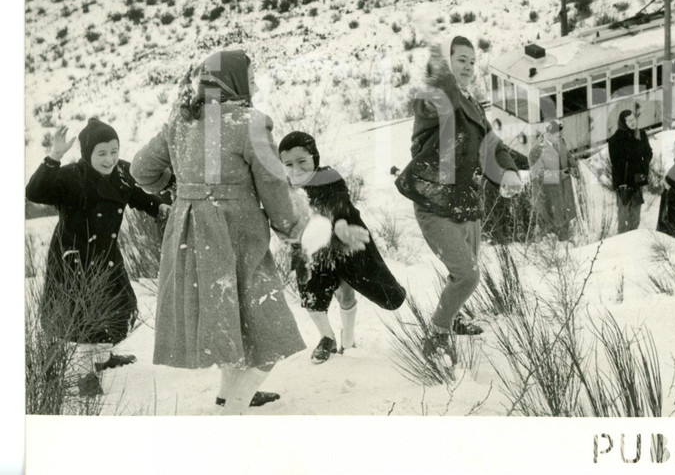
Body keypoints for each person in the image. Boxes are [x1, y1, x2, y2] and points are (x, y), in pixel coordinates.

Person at [131, 49, 311, 415]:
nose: (256, 83)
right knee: (270, 329)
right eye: (251, 76)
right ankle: (234, 410)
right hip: (238, 236)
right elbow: (275, 189)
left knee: (232, 318)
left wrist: (183, 189)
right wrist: (293, 228)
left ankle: (226, 397)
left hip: (190, 238)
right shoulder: (250, 123)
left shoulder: (180, 121)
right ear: (233, 81)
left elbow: (140, 171)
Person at [395, 36, 523, 362]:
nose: (467, 66)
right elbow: (429, 104)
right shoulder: (436, 97)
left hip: (466, 203)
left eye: (471, 61)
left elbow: (492, 145)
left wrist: (509, 171)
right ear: (448, 64)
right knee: (467, 275)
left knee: (464, 274)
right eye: (460, 60)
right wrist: (443, 78)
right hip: (433, 202)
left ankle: (455, 318)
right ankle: (437, 334)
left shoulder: (475, 107)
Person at [25, 118, 169, 397]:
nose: (110, 159)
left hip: (106, 255)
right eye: (101, 153)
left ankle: (102, 359)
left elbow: (139, 196)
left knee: (119, 308)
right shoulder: (70, 176)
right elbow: (34, 192)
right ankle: (85, 376)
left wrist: (160, 206)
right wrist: (53, 157)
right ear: (87, 153)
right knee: (84, 320)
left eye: (114, 151)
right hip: (74, 260)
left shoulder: (123, 172)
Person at [278, 130, 406, 363]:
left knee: (346, 292)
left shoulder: (328, 177)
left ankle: (348, 339)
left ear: (315, 158)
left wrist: (340, 225)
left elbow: (339, 201)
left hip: (343, 241)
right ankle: (326, 338)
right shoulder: (285, 188)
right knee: (310, 295)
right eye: (288, 163)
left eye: (302, 161)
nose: (295, 168)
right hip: (312, 247)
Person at [528, 120, 579, 241]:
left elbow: (566, 154)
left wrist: (573, 165)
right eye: (557, 136)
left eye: (560, 135)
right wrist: (565, 173)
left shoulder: (559, 140)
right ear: (548, 134)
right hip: (548, 198)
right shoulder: (535, 151)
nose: (560, 138)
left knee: (565, 221)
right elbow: (541, 176)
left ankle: (566, 246)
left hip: (563, 193)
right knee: (551, 230)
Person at [607, 109, 652, 234]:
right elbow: (615, 162)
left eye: (634, 119)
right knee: (624, 213)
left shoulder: (641, 134)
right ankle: (622, 240)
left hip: (638, 178)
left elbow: (648, 153)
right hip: (624, 180)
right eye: (629, 121)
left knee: (635, 213)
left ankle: (633, 237)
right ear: (623, 123)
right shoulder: (615, 140)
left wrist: (643, 165)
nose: (633, 122)